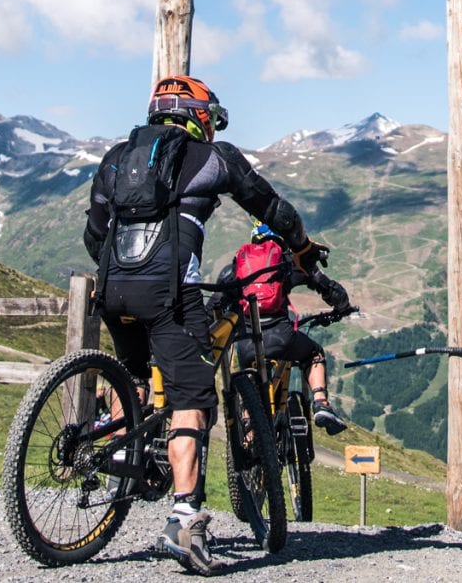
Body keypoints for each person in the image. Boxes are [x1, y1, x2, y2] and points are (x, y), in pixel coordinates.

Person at [84, 75, 331, 575]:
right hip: (169, 295)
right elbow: (274, 210)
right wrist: (302, 248)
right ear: (199, 117)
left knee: (135, 373)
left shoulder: (115, 159)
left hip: (111, 289)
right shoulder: (214, 159)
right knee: (192, 399)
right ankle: (185, 521)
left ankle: (117, 452)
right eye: (210, 119)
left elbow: (94, 233)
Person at [216, 222, 352, 435]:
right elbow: (329, 289)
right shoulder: (290, 263)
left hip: (246, 344)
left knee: (249, 383)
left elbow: (215, 304)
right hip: (281, 336)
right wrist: (342, 308)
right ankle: (320, 403)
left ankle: (249, 435)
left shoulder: (236, 267)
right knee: (314, 353)